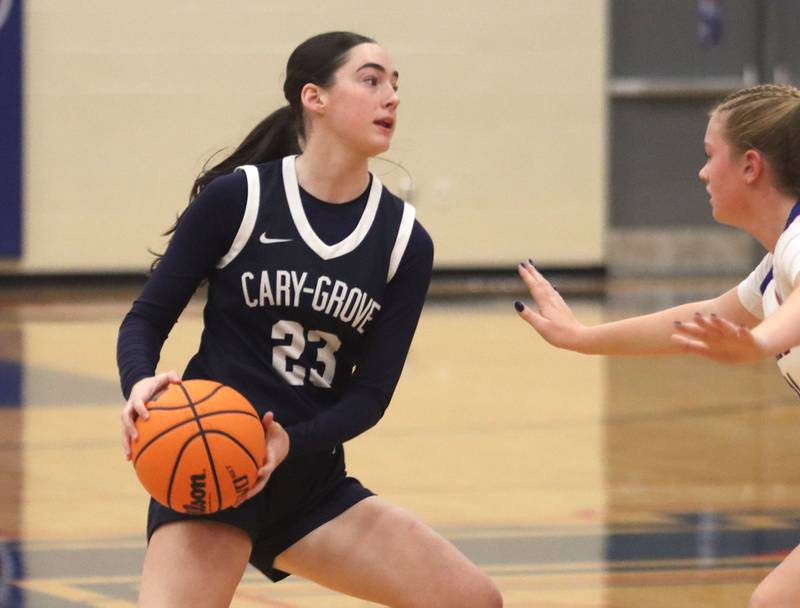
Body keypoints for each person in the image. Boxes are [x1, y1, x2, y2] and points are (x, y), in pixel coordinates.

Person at [117, 31, 502, 608]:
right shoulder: (240, 199)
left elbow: (370, 395)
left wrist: (288, 445)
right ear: (314, 98)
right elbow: (146, 319)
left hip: (307, 477)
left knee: (472, 600)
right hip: (211, 464)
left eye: (395, 85)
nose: (391, 97)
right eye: (371, 80)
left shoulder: (403, 240)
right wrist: (139, 383)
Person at [514, 83, 800, 608]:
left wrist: (757, 343)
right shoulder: (774, 268)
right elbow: (692, 321)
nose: (702, 172)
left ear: (751, 166)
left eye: (711, 156)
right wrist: (580, 339)